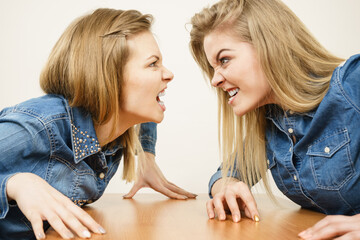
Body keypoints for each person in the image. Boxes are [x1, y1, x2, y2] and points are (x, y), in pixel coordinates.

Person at [0, 8, 196, 240]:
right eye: (153, 64)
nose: (169, 74)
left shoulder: (112, 127)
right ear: (108, 76)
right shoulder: (38, 127)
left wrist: (147, 155)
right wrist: (14, 184)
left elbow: (147, 118)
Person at [189, 0, 360, 239]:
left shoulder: (353, 82)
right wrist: (226, 187)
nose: (215, 80)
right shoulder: (270, 123)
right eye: (213, 67)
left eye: (224, 60)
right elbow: (227, 173)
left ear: (270, 45)